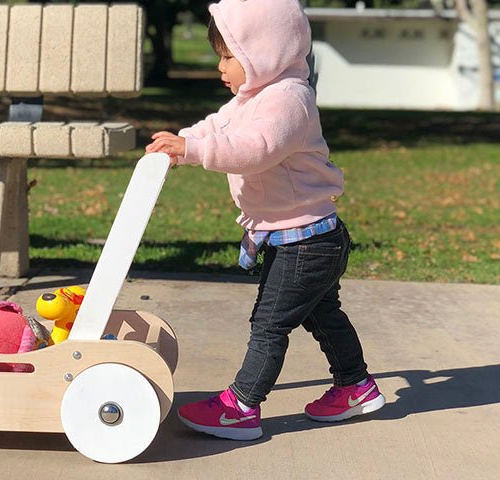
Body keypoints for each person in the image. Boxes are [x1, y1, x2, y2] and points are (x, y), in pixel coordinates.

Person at [145, 0, 385, 441]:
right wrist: (185, 140)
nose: (220, 66)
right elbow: (219, 126)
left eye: (228, 55)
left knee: (269, 323)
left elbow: (255, 149)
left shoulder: (289, 100)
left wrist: (194, 153)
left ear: (265, 52)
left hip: (307, 242)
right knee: (322, 314)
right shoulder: (252, 97)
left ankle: (241, 406)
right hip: (305, 236)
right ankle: (355, 385)